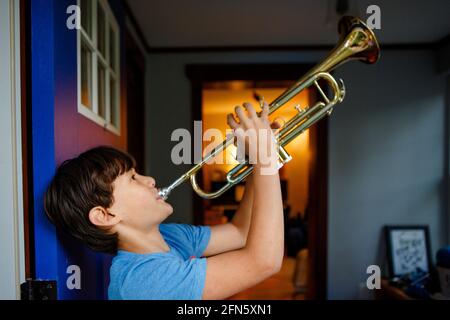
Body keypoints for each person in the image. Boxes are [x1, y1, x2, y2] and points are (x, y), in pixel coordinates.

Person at [44, 101, 284, 300]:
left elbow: (240, 232)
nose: (149, 180)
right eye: (133, 178)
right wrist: (266, 160)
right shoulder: (141, 281)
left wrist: (256, 162)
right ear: (106, 215)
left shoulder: (169, 236)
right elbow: (264, 262)